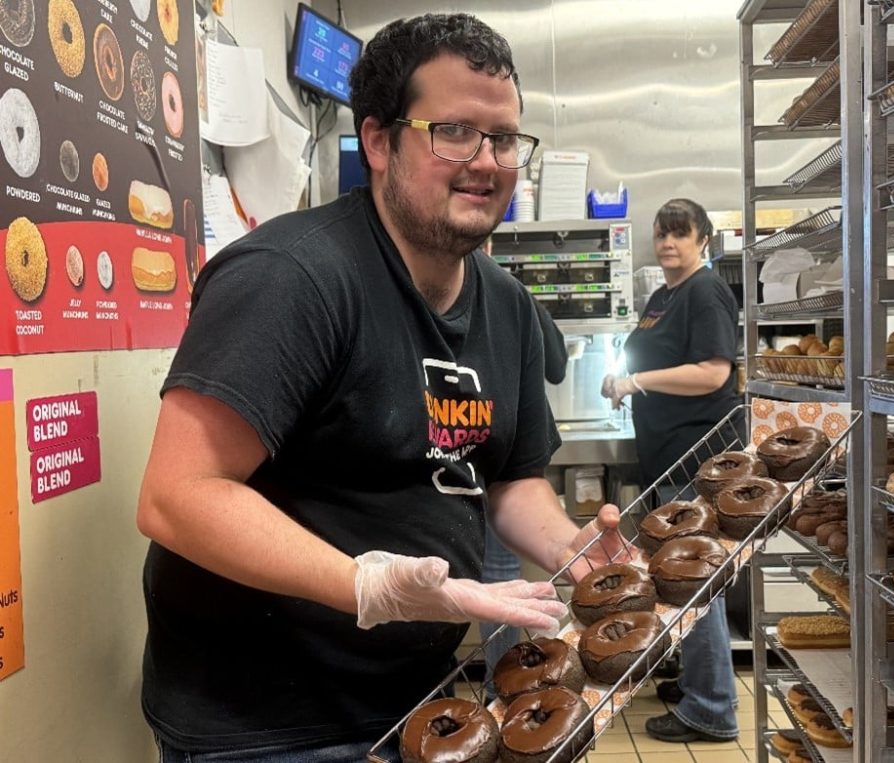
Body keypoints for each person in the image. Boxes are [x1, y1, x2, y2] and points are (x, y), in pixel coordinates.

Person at [136, 14, 627, 763]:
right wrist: (367, 585)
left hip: (417, 704)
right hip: (265, 724)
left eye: (504, 139)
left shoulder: (510, 307)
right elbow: (177, 494)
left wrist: (575, 547)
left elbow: (509, 484)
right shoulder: (292, 278)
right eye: (454, 131)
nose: (488, 161)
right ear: (377, 141)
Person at [601, 198, 742, 745]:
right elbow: (653, 360)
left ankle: (712, 708)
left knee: (695, 581)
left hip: (697, 459)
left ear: (703, 239)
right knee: (680, 578)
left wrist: (636, 383)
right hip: (668, 453)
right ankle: (694, 684)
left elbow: (712, 374)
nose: (668, 243)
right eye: (661, 234)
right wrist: (622, 382)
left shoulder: (706, 291)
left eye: (680, 234)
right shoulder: (664, 295)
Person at [480, 298, 568, 702]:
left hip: (498, 460)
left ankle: (501, 685)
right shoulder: (521, 300)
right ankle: (504, 687)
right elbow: (559, 366)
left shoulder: (510, 300)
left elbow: (554, 366)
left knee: (497, 578)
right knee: (498, 576)